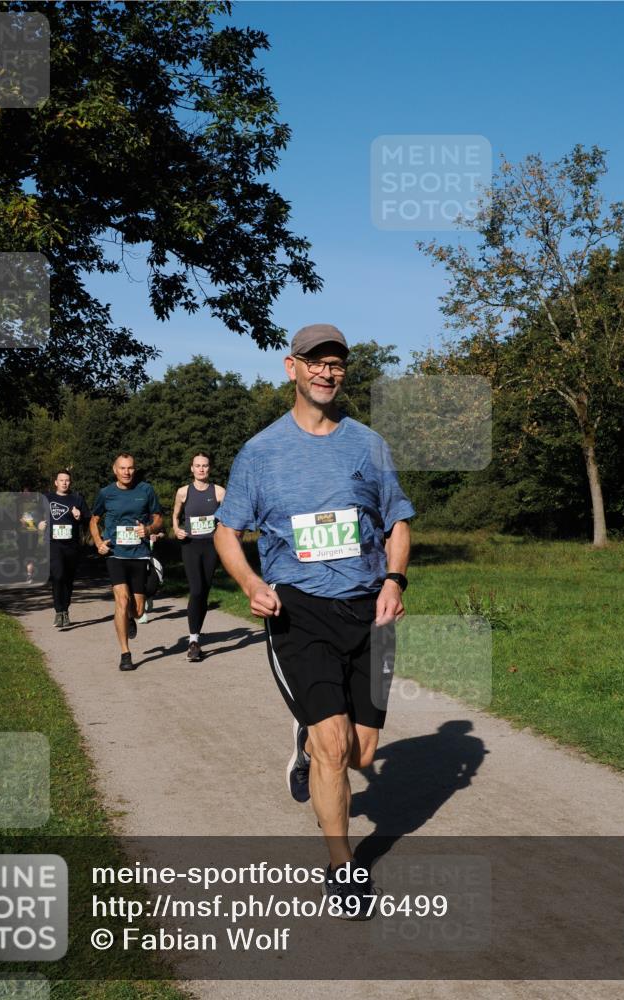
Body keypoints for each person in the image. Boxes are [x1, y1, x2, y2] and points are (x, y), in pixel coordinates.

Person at [214, 323, 414, 919]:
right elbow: (227, 532)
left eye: (337, 364)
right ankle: (342, 866)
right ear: (292, 368)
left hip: (368, 609)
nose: (328, 372)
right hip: (298, 610)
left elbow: (398, 522)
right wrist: (252, 584)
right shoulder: (261, 452)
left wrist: (394, 581)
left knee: (362, 754)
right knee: (334, 744)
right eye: (316, 362)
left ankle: (305, 741)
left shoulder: (368, 445)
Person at [90, 453, 163, 671]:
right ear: (115, 470)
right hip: (116, 554)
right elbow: (94, 520)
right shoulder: (106, 493)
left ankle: (131, 617)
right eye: (122, 468)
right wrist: (98, 542)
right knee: (121, 600)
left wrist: (148, 529)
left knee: (138, 610)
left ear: (134, 469)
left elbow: (158, 518)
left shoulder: (146, 490)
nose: (127, 472)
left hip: (139, 554)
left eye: (130, 468)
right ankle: (125, 653)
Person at [172, 452, 226, 661]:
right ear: (192, 469)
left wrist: (222, 528)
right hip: (191, 545)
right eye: (197, 465)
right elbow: (175, 515)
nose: (201, 469)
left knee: (204, 591)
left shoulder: (219, 492)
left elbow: (227, 516)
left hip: (212, 546)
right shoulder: (183, 492)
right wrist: (176, 530)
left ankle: (196, 635)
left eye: (205, 465)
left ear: (209, 468)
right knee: (196, 589)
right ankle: (193, 640)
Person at [37, 469, 90, 628]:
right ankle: (58, 611)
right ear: (56, 482)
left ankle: (65, 610)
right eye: (61, 480)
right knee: (58, 576)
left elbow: (88, 519)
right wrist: (39, 525)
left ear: (70, 482)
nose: (64, 483)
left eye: (67, 480)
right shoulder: (47, 498)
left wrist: (79, 516)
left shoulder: (77, 498)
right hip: (53, 544)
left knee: (68, 578)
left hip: (71, 545)